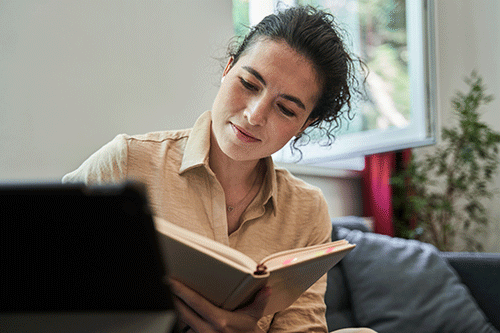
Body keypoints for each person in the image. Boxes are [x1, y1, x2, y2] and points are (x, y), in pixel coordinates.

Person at [63, 5, 373, 333]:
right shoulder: (126, 161)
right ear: (228, 69)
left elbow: (302, 328)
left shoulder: (306, 209)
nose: (254, 115)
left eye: (285, 109)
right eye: (250, 84)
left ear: (305, 124)